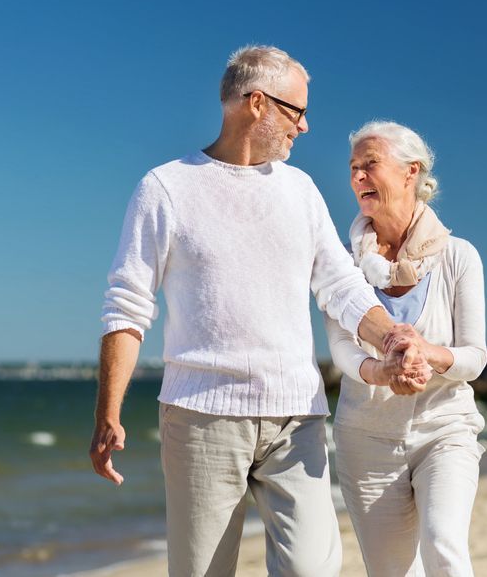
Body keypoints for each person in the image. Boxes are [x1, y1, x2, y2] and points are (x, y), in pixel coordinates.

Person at [88, 46, 433, 577]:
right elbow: (128, 305)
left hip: (297, 417)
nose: (305, 126)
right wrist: (107, 412)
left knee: (313, 570)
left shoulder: (301, 190)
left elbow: (340, 284)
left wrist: (391, 337)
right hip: (201, 417)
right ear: (257, 103)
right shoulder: (166, 188)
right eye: (297, 111)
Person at [325, 120, 487, 577]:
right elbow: (341, 349)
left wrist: (424, 351)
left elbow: (474, 357)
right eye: (353, 168)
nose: (358, 176)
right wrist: (381, 372)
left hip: (445, 428)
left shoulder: (458, 256)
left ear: (410, 171)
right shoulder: (343, 263)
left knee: (443, 545)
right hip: (366, 438)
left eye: (370, 164)